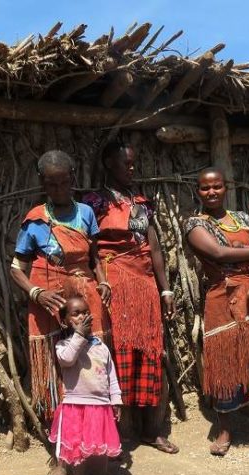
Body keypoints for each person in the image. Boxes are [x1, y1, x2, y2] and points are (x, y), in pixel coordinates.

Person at [9, 150, 111, 475]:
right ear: (43, 183)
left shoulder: (85, 213)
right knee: (57, 380)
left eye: (64, 182)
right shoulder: (35, 219)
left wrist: (104, 281)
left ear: (73, 178)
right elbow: (16, 268)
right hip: (49, 304)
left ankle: (96, 448)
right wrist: (36, 293)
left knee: (88, 372)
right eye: (50, 184)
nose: (58, 189)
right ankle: (62, 459)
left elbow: (95, 255)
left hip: (84, 300)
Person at [81, 141, 178, 454]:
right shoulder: (94, 203)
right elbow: (90, 248)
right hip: (115, 283)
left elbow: (155, 248)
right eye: (126, 163)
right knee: (116, 355)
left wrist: (164, 289)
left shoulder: (141, 203)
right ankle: (116, 435)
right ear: (109, 163)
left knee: (150, 353)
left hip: (145, 285)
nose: (132, 169)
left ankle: (151, 431)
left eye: (134, 163)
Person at [185, 168, 249, 456]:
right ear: (198, 191)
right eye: (205, 188)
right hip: (223, 295)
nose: (212, 192)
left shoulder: (244, 218)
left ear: (225, 187)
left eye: (217, 186)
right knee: (224, 361)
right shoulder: (194, 224)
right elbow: (218, 253)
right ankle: (225, 429)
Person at [49, 296, 122, 475]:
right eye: (75, 313)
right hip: (75, 405)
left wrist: (115, 400)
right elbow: (67, 359)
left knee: (99, 449)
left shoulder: (101, 347)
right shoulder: (63, 345)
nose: (82, 316)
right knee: (76, 447)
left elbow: (111, 375)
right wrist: (79, 335)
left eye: (84, 312)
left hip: (99, 406)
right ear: (65, 322)